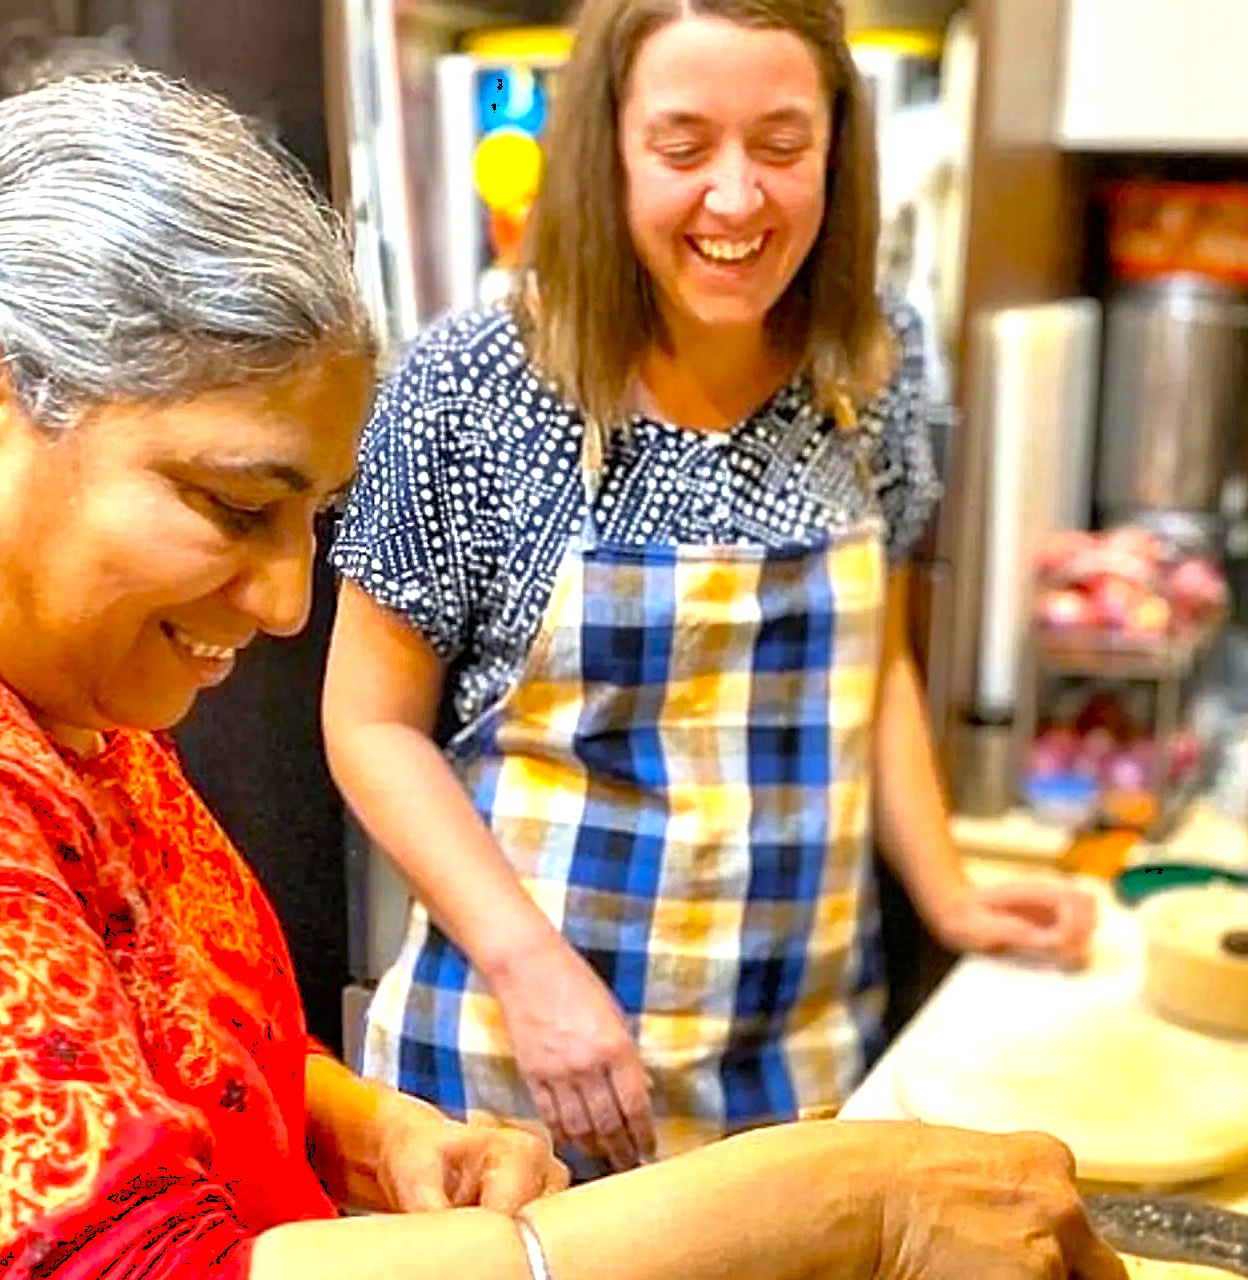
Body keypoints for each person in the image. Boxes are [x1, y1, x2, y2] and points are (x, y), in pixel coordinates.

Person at [0, 67, 1129, 1280]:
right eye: (235, 507)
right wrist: (837, 1201)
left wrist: (356, 1125)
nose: (281, 601)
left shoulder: (37, 691)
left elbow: (120, 1021)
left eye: (309, 520)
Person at [322, 0, 1097, 1182]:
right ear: (608, 146)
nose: (737, 200)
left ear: (837, 143)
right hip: (524, 1085)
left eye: (780, 146)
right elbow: (369, 723)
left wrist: (950, 890)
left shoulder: (871, 362)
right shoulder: (471, 388)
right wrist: (532, 967)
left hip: (800, 1073)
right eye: (684, 149)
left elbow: (869, 659)